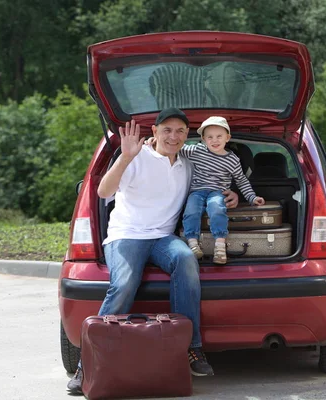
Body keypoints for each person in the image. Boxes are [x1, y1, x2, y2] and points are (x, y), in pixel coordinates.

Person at [66, 108, 239, 395]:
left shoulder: (188, 160)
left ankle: (192, 349)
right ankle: (87, 365)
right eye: (167, 130)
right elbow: (103, 191)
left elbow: (216, 170)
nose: (173, 136)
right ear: (155, 132)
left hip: (162, 237)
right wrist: (125, 156)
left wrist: (228, 192)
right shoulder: (137, 157)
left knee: (185, 259)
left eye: (180, 131)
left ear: (187, 136)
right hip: (126, 236)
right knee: (123, 284)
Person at [153, 116, 264, 264]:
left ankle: (219, 245)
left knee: (217, 208)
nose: (214, 140)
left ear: (227, 138)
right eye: (209, 137)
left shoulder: (232, 160)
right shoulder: (196, 151)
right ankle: (192, 243)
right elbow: (175, 147)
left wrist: (252, 197)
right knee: (191, 211)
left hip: (217, 192)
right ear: (203, 139)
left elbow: (241, 180)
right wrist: (154, 142)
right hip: (197, 191)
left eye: (219, 136)